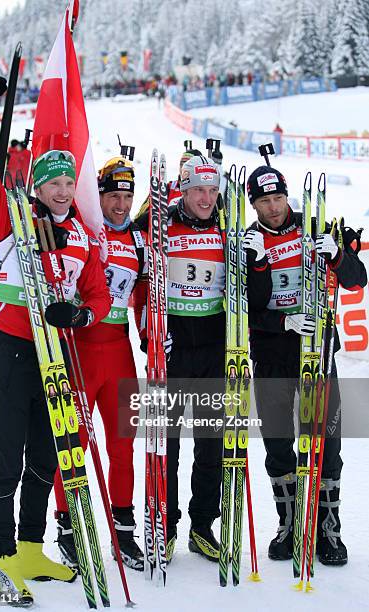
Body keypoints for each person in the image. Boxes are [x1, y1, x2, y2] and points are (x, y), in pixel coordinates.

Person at [0, 71, 111, 605]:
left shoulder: (82, 238)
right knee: (8, 455)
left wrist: (81, 318)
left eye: (69, 183)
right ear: (37, 186)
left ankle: (30, 544)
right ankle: (3, 553)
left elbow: (99, 297)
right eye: (54, 183)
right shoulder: (11, 220)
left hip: (59, 357)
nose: (63, 191)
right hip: (12, 349)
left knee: (49, 456)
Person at [243, 164, 367, 566]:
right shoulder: (247, 241)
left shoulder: (316, 227)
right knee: (278, 445)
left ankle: (329, 529)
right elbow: (243, 310)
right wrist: (282, 317)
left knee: (325, 443)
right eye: (264, 201)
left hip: (316, 352)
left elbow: (357, 279)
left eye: (278, 198)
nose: (274, 207)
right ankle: (290, 524)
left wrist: (338, 257)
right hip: (273, 356)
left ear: (287, 196)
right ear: (254, 204)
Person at [162, 155, 269, 562]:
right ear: (183, 191)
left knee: (210, 445)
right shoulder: (161, 226)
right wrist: (150, 337)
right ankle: (163, 525)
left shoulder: (229, 229)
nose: (205, 198)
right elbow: (140, 289)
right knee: (165, 446)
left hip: (213, 351)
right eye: (197, 190)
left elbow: (250, 296)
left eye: (212, 190)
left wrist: (254, 260)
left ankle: (202, 525)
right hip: (171, 354)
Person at [53, 155, 147, 572]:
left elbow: (144, 295)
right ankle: (69, 524)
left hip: (119, 350)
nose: (121, 205)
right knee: (70, 443)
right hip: (80, 347)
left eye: (127, 197)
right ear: (99, 196)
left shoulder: (140, 242)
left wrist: (151, 334)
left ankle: (122, 528)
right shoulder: (86, 232)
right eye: (112, 196)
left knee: (122, 446)